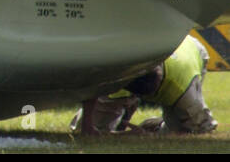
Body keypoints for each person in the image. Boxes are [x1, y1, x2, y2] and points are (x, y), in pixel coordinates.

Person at [73, 35, 218, 135]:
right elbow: (94, 85)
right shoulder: (118, 68)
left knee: (186, 128)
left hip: (191, 49)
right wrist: (87, 125)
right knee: (88, 127)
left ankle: (157, 126)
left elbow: (204, 129)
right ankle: (141, 119)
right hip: (125, 76)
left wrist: (150, 137)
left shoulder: (182, 88)